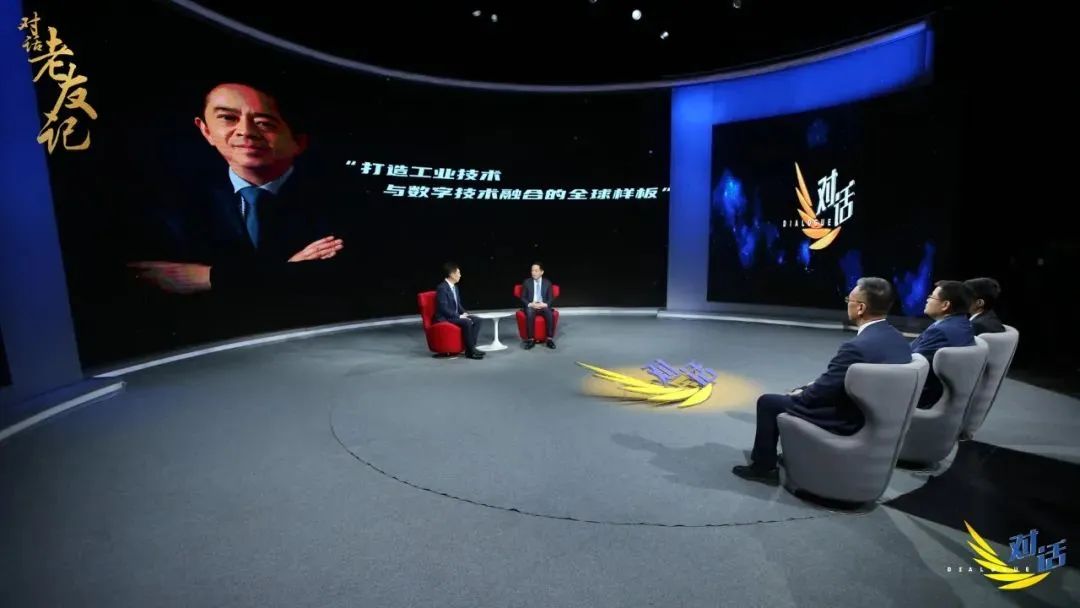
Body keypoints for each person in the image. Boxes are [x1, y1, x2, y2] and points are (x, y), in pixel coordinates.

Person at [130, 82, 345, 294]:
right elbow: (151, 278)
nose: (245, 132)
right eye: (228, 118)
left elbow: (336, 280)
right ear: (206, 130)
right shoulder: (172, 201)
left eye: (264, 123)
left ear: (299, 141)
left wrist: (210, 277)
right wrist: (287, 271)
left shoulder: (341, 200)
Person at [732, 277, 912, 484]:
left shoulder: (856, 348)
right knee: (803, 390)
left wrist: (800, 394)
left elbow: (819, 395)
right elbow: (837, 382)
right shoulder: (897, 339)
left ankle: (763, 468)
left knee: (768, 402)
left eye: (849, 300)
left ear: (861, 308)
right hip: (873, 415)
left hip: (846, 419)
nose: (847, 304)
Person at [910, 280, 977, 409]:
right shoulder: (962, 323)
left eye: (931, 296)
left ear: (945, 305)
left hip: (921, 397)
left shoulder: (941, 332)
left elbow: (912, 365)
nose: (927, 299)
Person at [434, 263, 484, 360]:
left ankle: (471, 348)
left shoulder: (455, 287)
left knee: (478, 320)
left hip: (455, 316)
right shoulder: (442, 288)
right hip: (445, 317)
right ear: (451, 274)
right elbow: (443, 308)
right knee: (467, 322)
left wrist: (464, 313)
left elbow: (458, 305)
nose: (460, 275)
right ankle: (470, 351)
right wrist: (458, 316)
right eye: (458, 273)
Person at [520, 262, 556, 349]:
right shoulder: (527, 282)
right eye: (532, 270)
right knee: (529, 312)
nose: (533, 273)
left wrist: (545, 304)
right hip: (532, 305)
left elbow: (551, 298)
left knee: (549, 312)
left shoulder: (547, 282)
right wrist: (530, 304)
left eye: (536, 271)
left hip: (543, 305)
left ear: (541, 272)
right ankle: (531, 340)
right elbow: (523, 297)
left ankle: (549, 339)